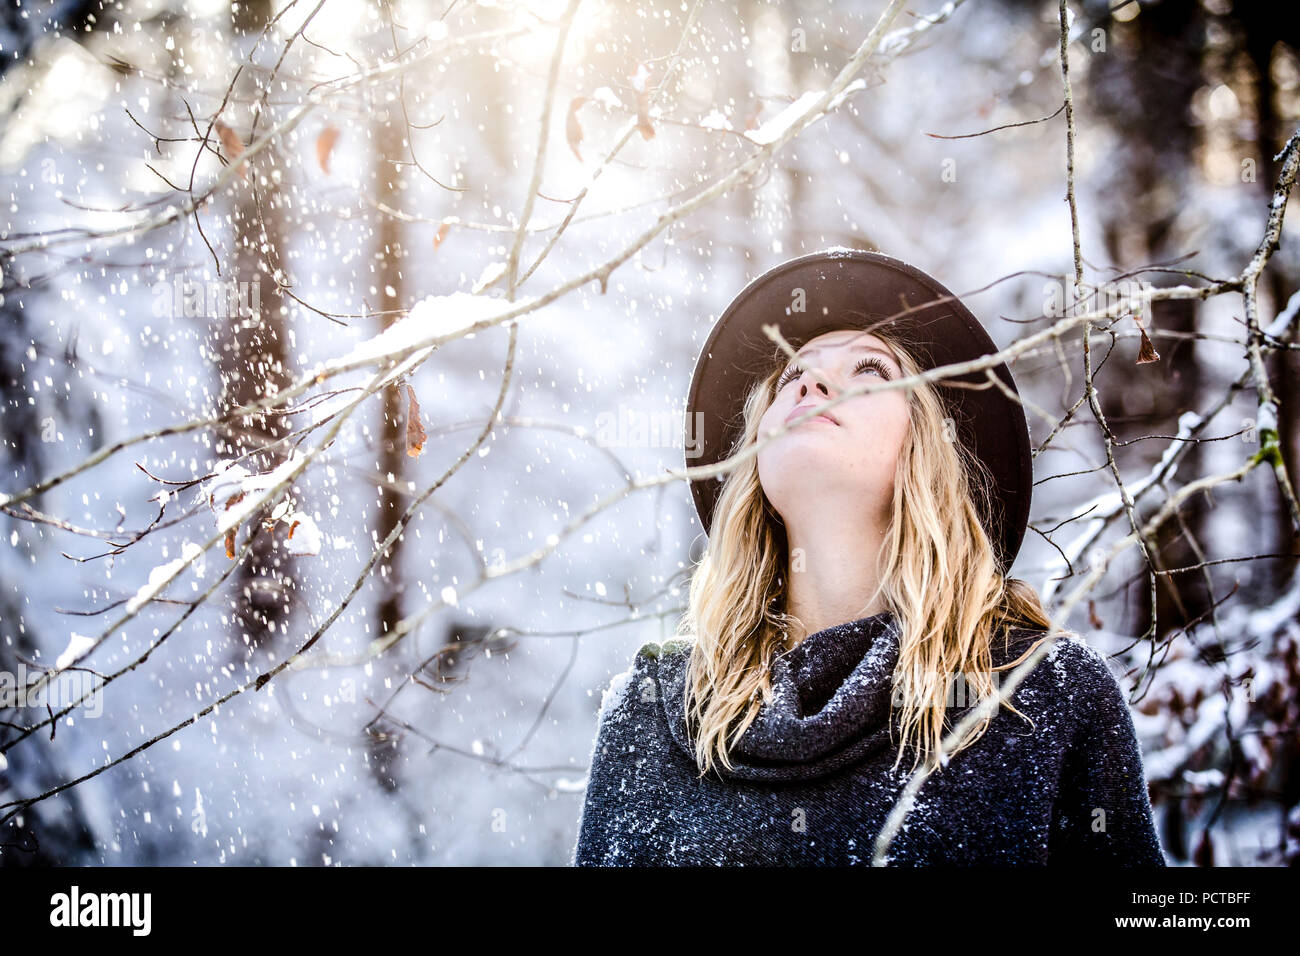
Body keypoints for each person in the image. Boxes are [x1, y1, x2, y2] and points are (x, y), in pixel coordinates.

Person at [571, 249, 1166, 866]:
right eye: (789, 377)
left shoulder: (1040, 693)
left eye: (872, 370)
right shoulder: (650, 713)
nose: (809, 383)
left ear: (931, 447)